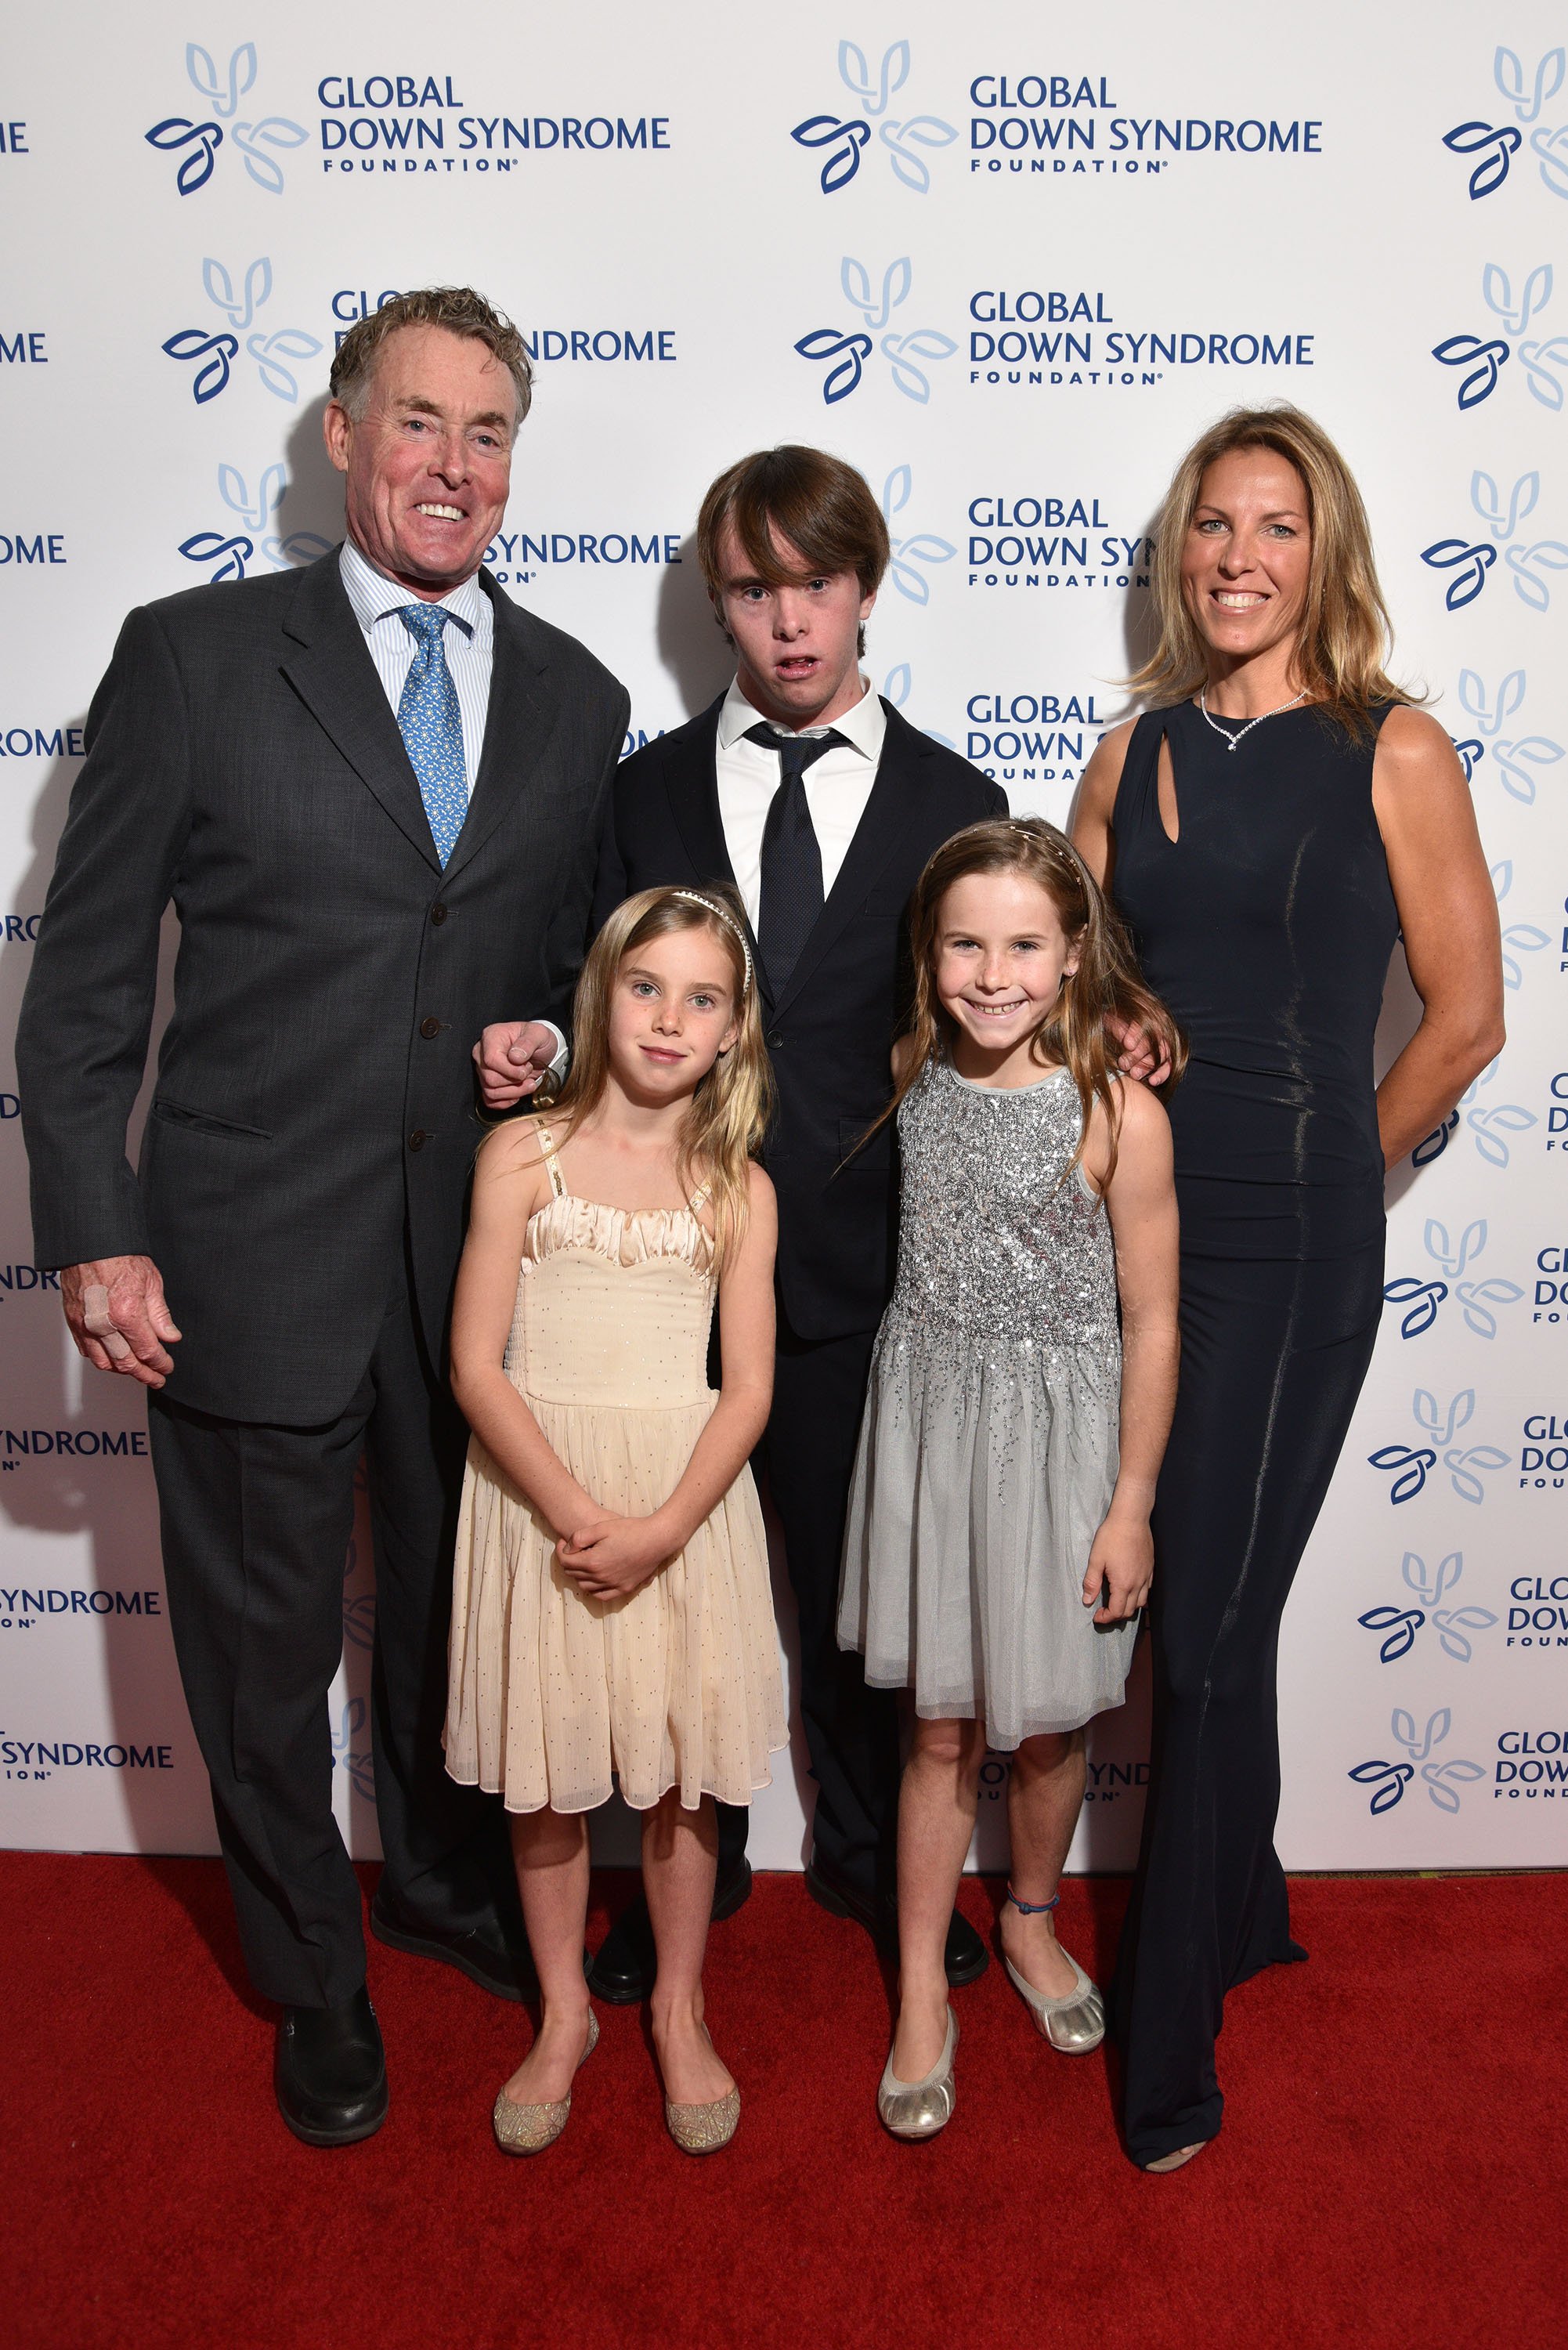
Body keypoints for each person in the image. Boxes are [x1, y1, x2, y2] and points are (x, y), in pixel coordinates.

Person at [15, 288, 629, 2146]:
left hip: (477, 1272)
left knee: (463, 1623)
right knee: (266, 1655)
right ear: (345, 436)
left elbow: (544, 976)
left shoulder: (578, 694)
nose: (455, 465)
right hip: (243, 1250)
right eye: (420, 423)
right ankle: (311, 1976)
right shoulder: (195, 659)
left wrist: (547, 1034)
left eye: (490, 432)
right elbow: (87, 983)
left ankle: (442, 1893)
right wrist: (95, 1226)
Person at [475, 447, 1005, 2000]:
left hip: (853, 1284)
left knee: (850, 1606)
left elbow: (994, 1005)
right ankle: (661, 1898)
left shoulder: (952, 801)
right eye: (754, 588)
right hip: (647, 1300)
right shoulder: (636, 793)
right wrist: (532, 1047)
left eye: (814, 583)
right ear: (718, 602)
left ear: (863, 587)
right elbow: (602, 1001)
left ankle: (861, 1853)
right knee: (658, 1608)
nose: (787, 620)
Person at [1072, 403, 1505, 2172]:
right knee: (1203, 1611)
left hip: (1305, 1240)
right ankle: (1238, 1909)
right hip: (1150, 1242)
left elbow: (1465, 1015)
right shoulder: (1125, 755)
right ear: (1180, 553)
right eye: (1211, 527)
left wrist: (1349, 1161)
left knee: (1204, 1630)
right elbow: (1065, 984)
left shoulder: (1389, 748)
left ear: (1321, 554)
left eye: (1275, 527)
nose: (1239, 558)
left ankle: (1165, 2057)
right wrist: (1115, 1050)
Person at [836, 819, 1181, 2138]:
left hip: (1062, 1447)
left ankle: (1029, 1925)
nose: (992, 974)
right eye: (964, 944)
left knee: (1046, 1724)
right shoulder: (909, 1062)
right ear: (926, 960)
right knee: (934, 1727)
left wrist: (1130, 1501)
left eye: (1024, 945)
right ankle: (922, 1983)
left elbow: (1150, 1319)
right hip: (928, 1427)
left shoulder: (1116, 1110)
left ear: (1072, 953)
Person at [446, 886, 785, 2154]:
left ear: (734, 1030)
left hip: (682, 1504)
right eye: (647, 987)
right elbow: (476, 1364)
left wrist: (657, 1527)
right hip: (539, 1495)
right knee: (544, 1775)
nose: (668, 1018)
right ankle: (563, 2011)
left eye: (702, 998)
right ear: (601, 993)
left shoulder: (738, 1185)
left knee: (680, 1773)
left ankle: (681, 2007)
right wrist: (580, 1510)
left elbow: (747, 1389)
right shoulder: (519, 1154)